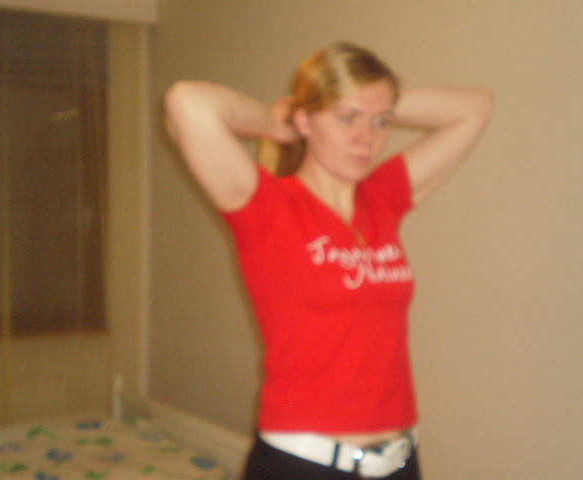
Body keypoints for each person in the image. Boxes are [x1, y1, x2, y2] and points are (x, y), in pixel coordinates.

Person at [164, 42, 494, 480]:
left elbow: (476, 108)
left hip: (400, 461)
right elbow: (186, 103)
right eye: (347, 117)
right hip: (303, 465)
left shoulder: (382, 197)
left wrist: (371, 102)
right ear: (305, 121)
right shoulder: (268, 207)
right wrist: (277, 121)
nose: (367, 137)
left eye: (380, 122)